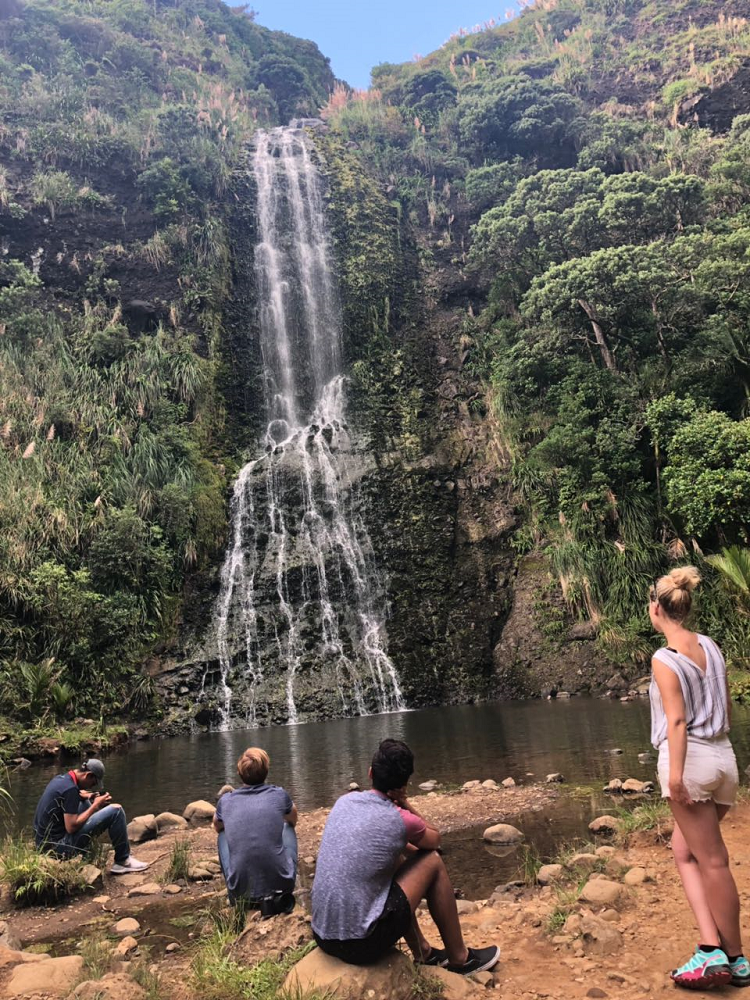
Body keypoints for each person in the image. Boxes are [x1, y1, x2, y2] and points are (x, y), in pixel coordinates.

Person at [311, 738, 500, 975]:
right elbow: (434, 841)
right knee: (433, 862)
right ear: (405, 782)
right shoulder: (399, 819)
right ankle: (461, 959)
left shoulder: (344, 802)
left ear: (370, 773)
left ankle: (423, 952)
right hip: (360, 945)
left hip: (322, 935)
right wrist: (405, 803)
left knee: (398, 860)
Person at [649, 566, 749, 989]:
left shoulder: (663, 659)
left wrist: (675, 777)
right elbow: (723, 702)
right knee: (685, 850)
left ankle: (733, 959)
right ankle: (712, 945)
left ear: (656, 609)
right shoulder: (709, 645)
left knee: (712, 860)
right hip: (724, 759)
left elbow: (676, 721)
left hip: (690, 761)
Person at [213, 747, 298, 913]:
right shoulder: (279, 794)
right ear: (266, 771)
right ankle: (281, 874)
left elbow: (216, 826)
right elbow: (293, 819)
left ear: (239, 773)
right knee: (288, 826)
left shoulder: (226, 800)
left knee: (222, 834)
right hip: (282, 887)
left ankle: (235, 895)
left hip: (241, 893)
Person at [33, 758, 148, 873]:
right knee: (116, 810)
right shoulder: (70, 790)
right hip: (57, 850)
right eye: (93, 783)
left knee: (84, 802)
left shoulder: (61, 779)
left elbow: (75, 794)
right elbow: (71, 827)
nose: (91, 787)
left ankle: (87, 851)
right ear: (88, 775)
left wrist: (90, 796)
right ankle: (123, 861)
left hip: (43, 845)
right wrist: (95, 806)